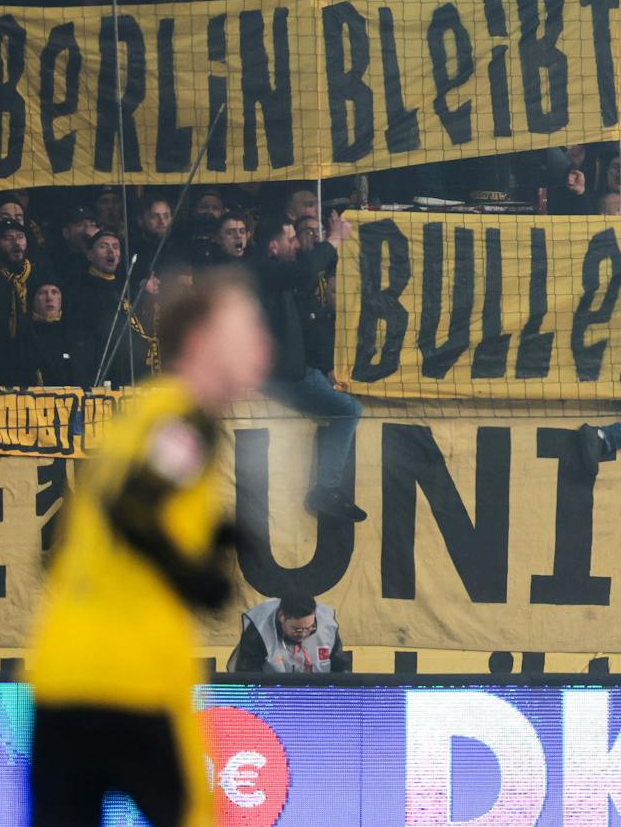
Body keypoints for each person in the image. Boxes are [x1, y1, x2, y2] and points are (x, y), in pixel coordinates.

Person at [25, 268, 274, 827]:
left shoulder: (144, 412)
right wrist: (196, 578)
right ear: (203, 342)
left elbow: (102, 523)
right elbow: (132, 510)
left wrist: (212, 540)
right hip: (130, 678)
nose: (263, 340)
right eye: (247, 326)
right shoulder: (186, 420)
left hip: (63, 672)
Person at [253, 212, 366, 521]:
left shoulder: (282, 275)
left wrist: (324, 367)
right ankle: (326, 489)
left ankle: (327, 488)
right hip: (283, 376)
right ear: (273, 247)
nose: (296, 245)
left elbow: (306, 326)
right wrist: (334, 239)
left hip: (299, 369)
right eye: (290, 239)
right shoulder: (264, 271)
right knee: (349, 410)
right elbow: (305, 272)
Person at [228, 592, 345, 673]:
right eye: (297, 629)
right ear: (281, 617)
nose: (304, 634)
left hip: (317, 698)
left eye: (310, 627)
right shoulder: (259, 628)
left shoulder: (327, 626)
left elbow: (340, 668)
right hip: (271, 697)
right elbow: (247, 674)